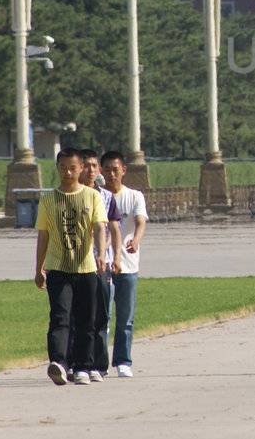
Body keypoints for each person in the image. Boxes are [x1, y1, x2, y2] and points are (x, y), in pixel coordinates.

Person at [35, 148, 109, 386]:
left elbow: (99, 227)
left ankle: (84, 367)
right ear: (57, 169)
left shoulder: (92, 197)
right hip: (58, 268)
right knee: (60, 317)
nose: (67, 172)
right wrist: (39, 268)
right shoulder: (48, 200)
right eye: (63, 167)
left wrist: (101, 254)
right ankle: (59, 362)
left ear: (81, 169)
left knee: (87, 320)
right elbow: (43, 235)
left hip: (86, 267)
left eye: (72, 168)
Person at [100, 151, 147, 378]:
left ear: (123, 170)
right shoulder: (96, 196)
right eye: (107, 169)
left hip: (128, 265)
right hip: (103, 264)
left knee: (125, 317)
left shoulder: (134, 196)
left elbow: (140, 222)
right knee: (103, 315)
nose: (111, 174)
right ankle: (99, 361)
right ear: (101, 171)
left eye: (115, 169)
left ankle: (123, 360)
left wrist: (136, 240)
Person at [78, 149, 121, 382]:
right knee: (79, 315)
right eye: (87, 165)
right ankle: (79, 362)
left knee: (101, 315)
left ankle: (98, 363)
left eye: (95, 165)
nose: (92, 170)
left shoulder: (105, 197)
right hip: (77, 262)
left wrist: (116, 257)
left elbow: (113, 227)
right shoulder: (71, 195)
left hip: (100, 263)